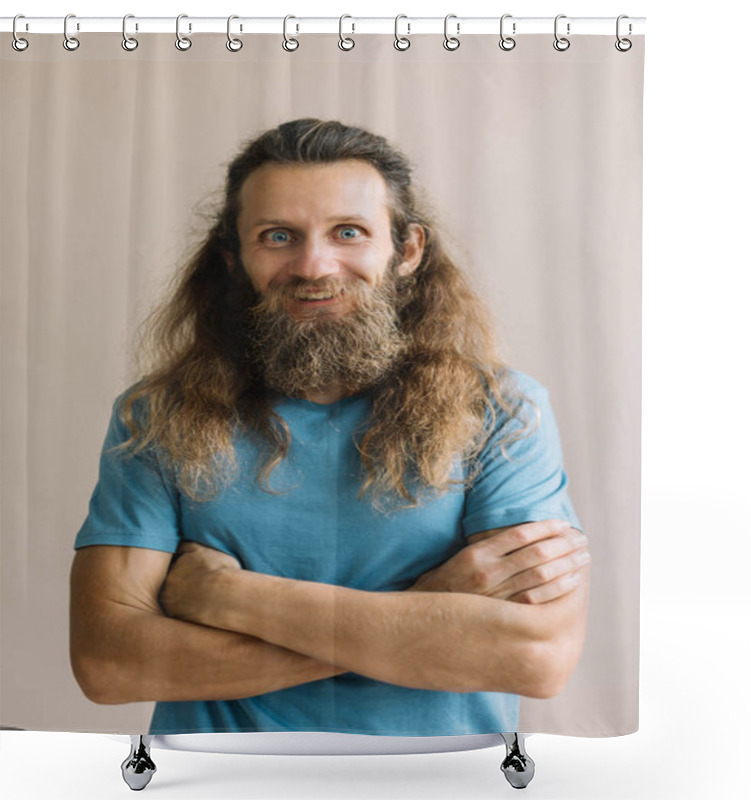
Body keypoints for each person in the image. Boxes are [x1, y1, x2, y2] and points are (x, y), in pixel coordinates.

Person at [69, 118, 590, 737]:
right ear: (234, 258)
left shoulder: (502, 412)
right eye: (278, 236)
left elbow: (535, 658)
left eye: (349, 232)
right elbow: (109, 664)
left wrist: (231, 599)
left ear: (408, 250)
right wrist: (417, 622)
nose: (314, 265)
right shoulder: (158, 418)